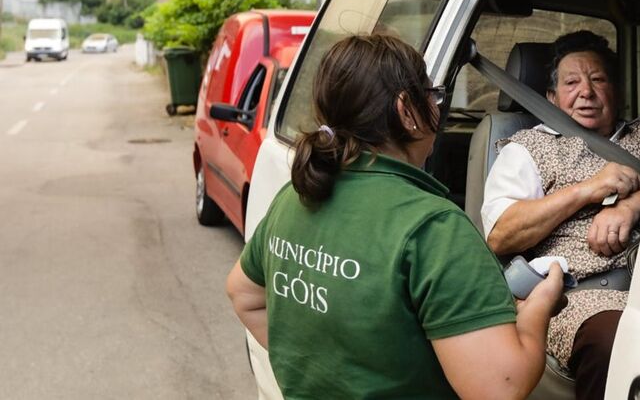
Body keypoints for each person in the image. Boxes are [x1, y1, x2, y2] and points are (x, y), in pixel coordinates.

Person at [226, 34, 565, 400]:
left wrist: (334, 377)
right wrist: (537, 310)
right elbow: (502, 387)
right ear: (407, 111)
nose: (437, 110)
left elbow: (243, 293)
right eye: (433, 97)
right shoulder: (434, 227)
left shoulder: (294, 197)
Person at [481, 30, 640, 400]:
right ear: (551, 97)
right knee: (614, 340)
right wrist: (585, 190)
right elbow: (501, 234)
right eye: (572, 82)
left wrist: (634, 204)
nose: (587, 93)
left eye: (598, 80)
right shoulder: (528, 148)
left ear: (617, 91)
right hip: (578, 296)